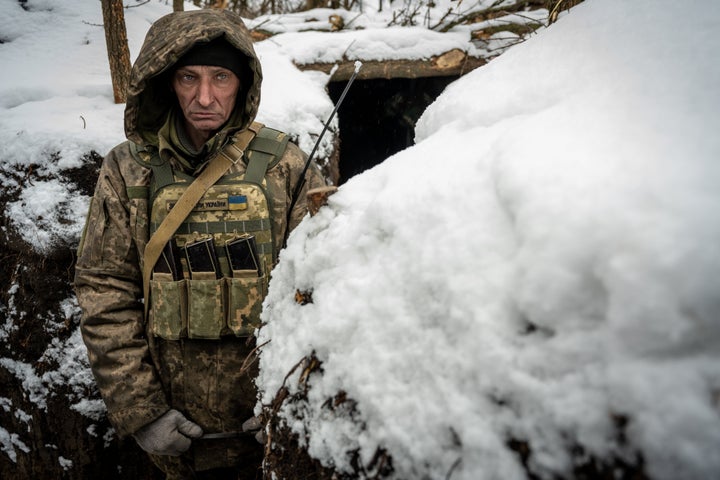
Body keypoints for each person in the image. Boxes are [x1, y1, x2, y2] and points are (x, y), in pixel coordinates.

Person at [74, 8, 324, 479]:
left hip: (263, 435)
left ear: (243, 84)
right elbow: (105, 289)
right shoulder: (128, 171)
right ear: (166, 80)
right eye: (188, 77)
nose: (204, 96)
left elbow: (319, 291)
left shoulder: (285, 166)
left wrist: (283, 402)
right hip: (170, 441)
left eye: (220, 77)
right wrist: (142, 411)